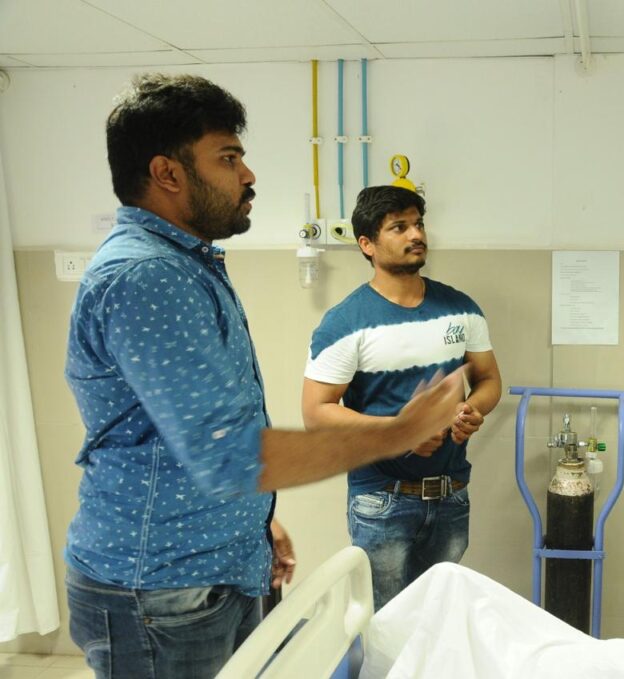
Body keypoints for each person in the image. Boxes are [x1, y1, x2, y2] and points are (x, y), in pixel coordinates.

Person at [64, 74, 465, 679]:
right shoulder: (147, 277)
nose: (248, 175)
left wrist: (253, 523)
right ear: (167, 173)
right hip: (161, 590)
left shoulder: (187, 266)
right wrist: (400, 432)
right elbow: (231, 456)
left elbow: (192, 433)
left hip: (210, 569)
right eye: (228, 158)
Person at [302, 185, 502, 610]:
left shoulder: (461, 308)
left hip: (451, 495)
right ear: (367, 244)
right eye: (399, 227)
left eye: (419, 224)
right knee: (385, 624)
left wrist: (473, 409)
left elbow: (488, 380)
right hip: (382, 500)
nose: (416, 234)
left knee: (437, 618)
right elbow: (316, 413)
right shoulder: (344, 322)